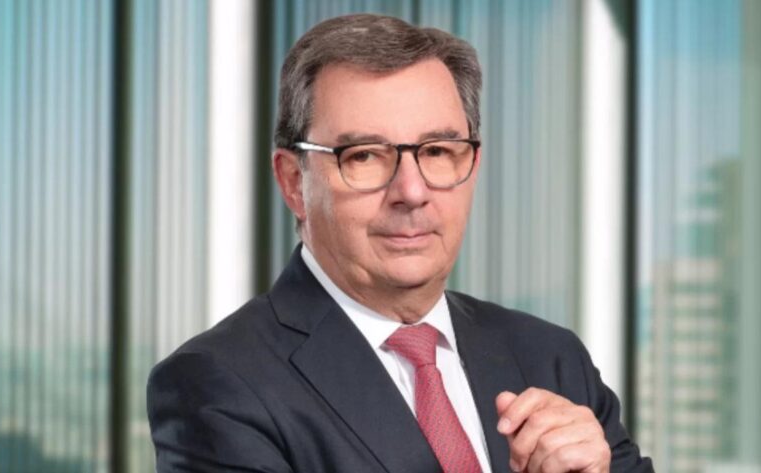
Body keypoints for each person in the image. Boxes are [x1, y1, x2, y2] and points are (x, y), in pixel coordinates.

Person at [147, 13, 653, 473]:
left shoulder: (551, 358)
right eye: (364, 156)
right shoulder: (218, 384)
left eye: (437, 151)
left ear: (472, 165)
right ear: (294, 182)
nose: (411, 191)